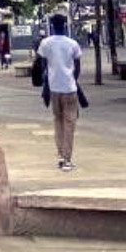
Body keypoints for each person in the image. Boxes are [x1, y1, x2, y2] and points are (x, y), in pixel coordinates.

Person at [36, 14, 84, 172]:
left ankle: (61, 156)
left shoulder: (45, 43)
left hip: (54, 88)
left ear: (51, 25)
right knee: (70, 123)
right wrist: (72, 78)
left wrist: (48, 81)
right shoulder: (72, 44)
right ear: (65, 25)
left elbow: (43, 64)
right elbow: (77, 67)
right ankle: (68, 159)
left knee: (58, 121)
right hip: (69, 88)